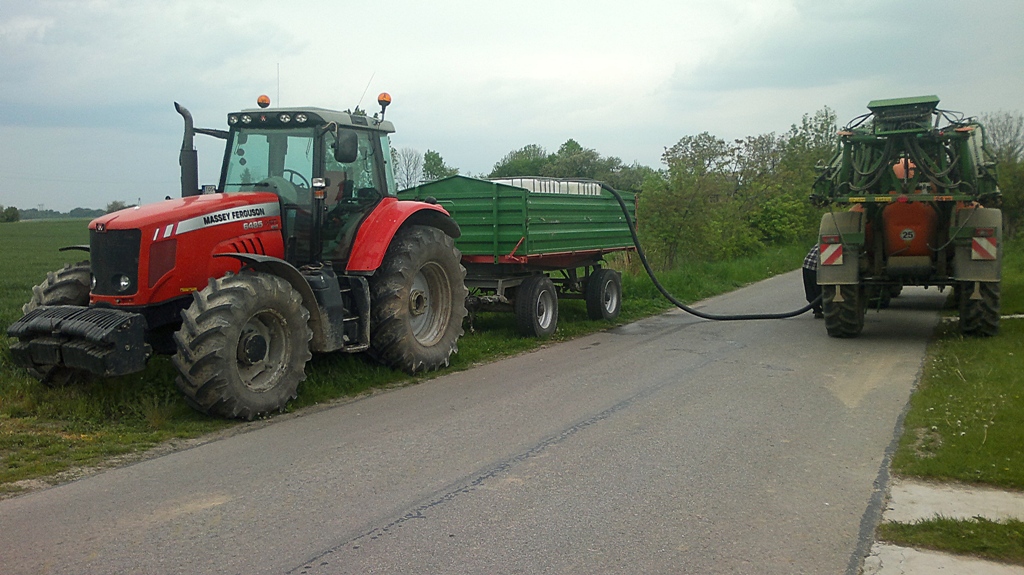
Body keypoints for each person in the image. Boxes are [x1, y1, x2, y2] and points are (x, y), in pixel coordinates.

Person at [802, 244, 824, 318]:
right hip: (814, 267)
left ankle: (817, 310)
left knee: (811, 291)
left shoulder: (822, 241)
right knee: (819, 291)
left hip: (806, 265)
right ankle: (820, 309)